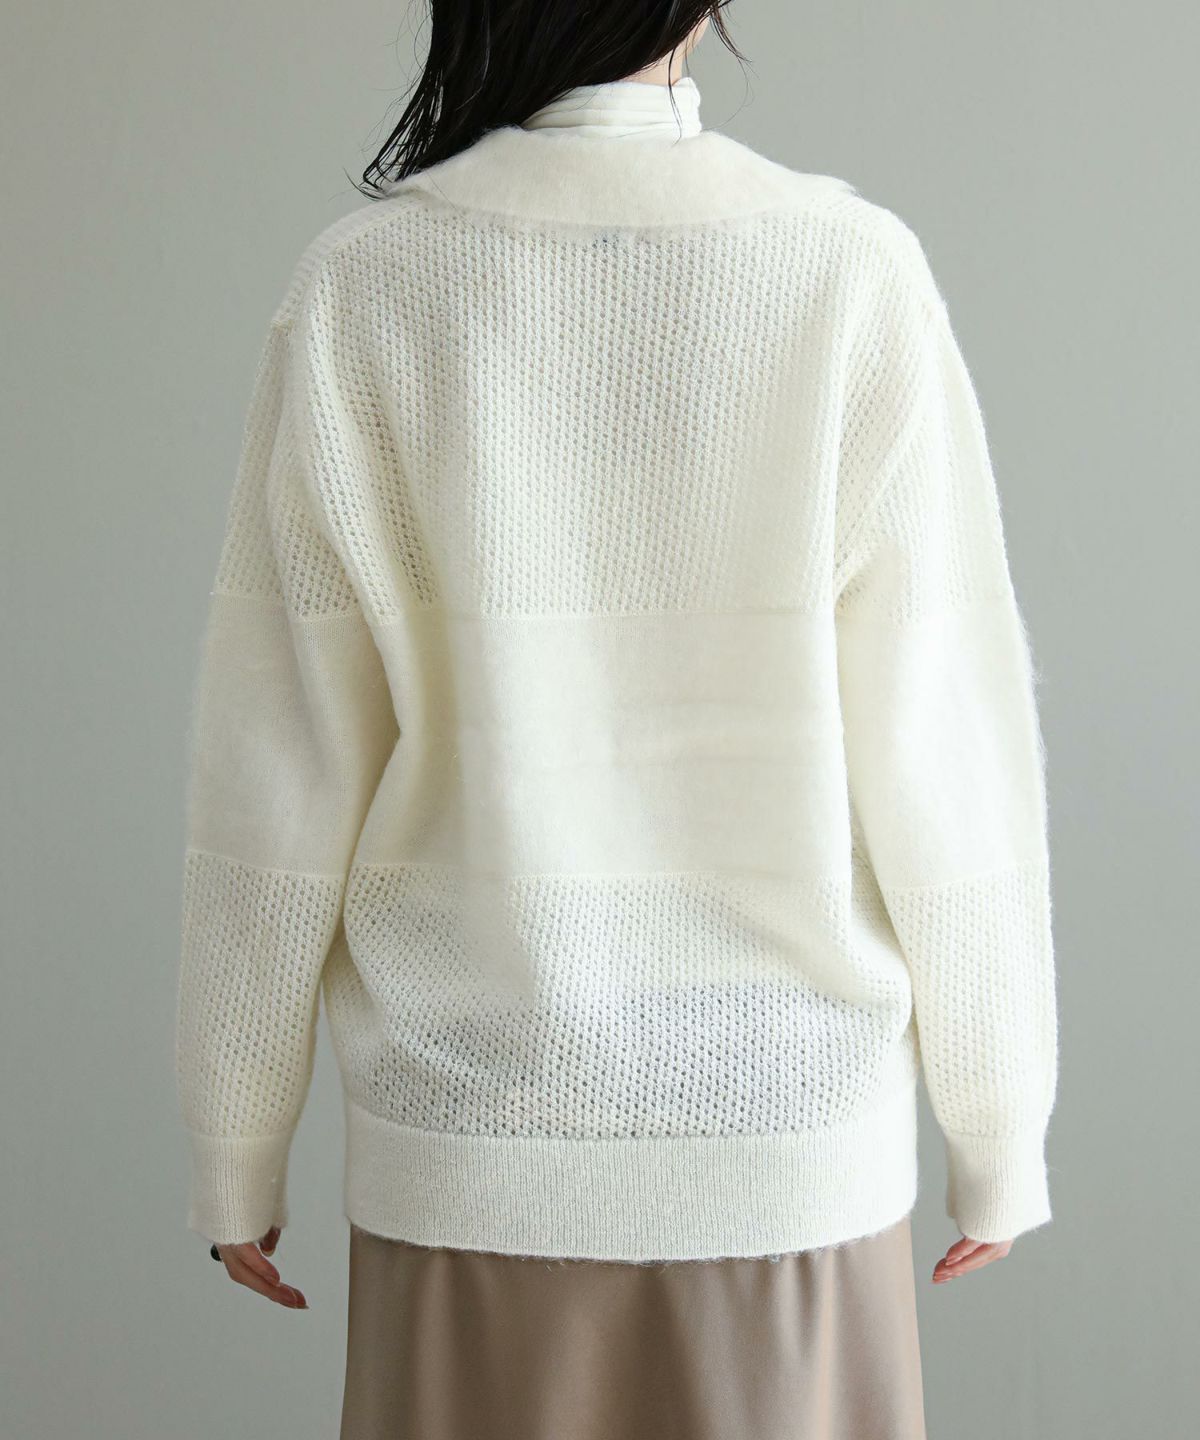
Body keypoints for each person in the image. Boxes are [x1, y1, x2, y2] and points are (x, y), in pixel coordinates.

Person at [174, 4, 1059, 1436]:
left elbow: (278, 762)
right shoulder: (848, 271)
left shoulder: (366, 286)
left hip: (473, 1140)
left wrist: (237, 1138)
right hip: (786, 1144)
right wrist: (999, 1121)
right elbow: (942, 733)